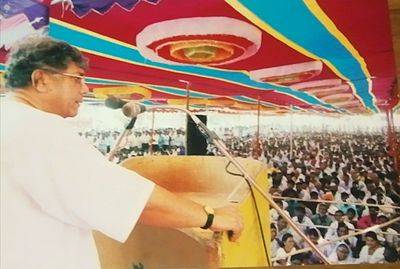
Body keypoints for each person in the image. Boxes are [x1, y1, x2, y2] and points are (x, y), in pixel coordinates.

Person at [0, 36, 244, 269]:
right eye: (77, 78)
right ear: (41, 80)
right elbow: (134, 202)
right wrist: (212, 217)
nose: (85, 88)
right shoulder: (40, 130)